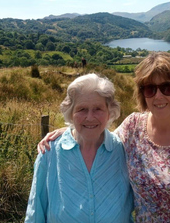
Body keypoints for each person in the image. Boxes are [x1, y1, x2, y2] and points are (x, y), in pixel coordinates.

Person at [39, 52, 170, 223]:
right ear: (143, 94)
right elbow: (98, 135)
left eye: (167, 88)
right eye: (150, 89)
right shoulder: (133, 127)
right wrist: (70, 131)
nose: (158, 96)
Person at [26, 73, 134, 223]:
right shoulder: (49, 152)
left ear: (110, 112)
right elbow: (35, 212)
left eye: (98, 109)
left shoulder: (123, 150)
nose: (90, 117)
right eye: (82, 109)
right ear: (70, 113)